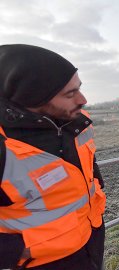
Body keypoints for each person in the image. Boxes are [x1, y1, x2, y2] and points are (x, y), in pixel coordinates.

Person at [0, 44, 106, 269]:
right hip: (46, 263)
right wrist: (19, 251)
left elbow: (89, 170)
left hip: (93, 240)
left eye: (79, 88)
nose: (83, 99)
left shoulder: (79, 121)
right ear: (34, 98)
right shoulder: (5, 147)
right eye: (70, 93)